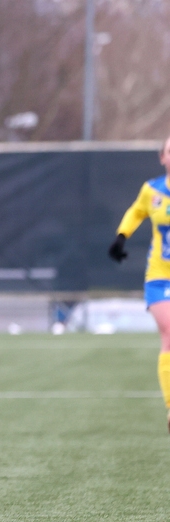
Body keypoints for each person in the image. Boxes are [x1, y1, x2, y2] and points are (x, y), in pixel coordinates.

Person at [109, 135, 170, 433]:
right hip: (160, 275)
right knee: (169, 332)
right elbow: (136, 211)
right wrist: (121, 237)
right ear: (162, 157)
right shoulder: (153, 190)